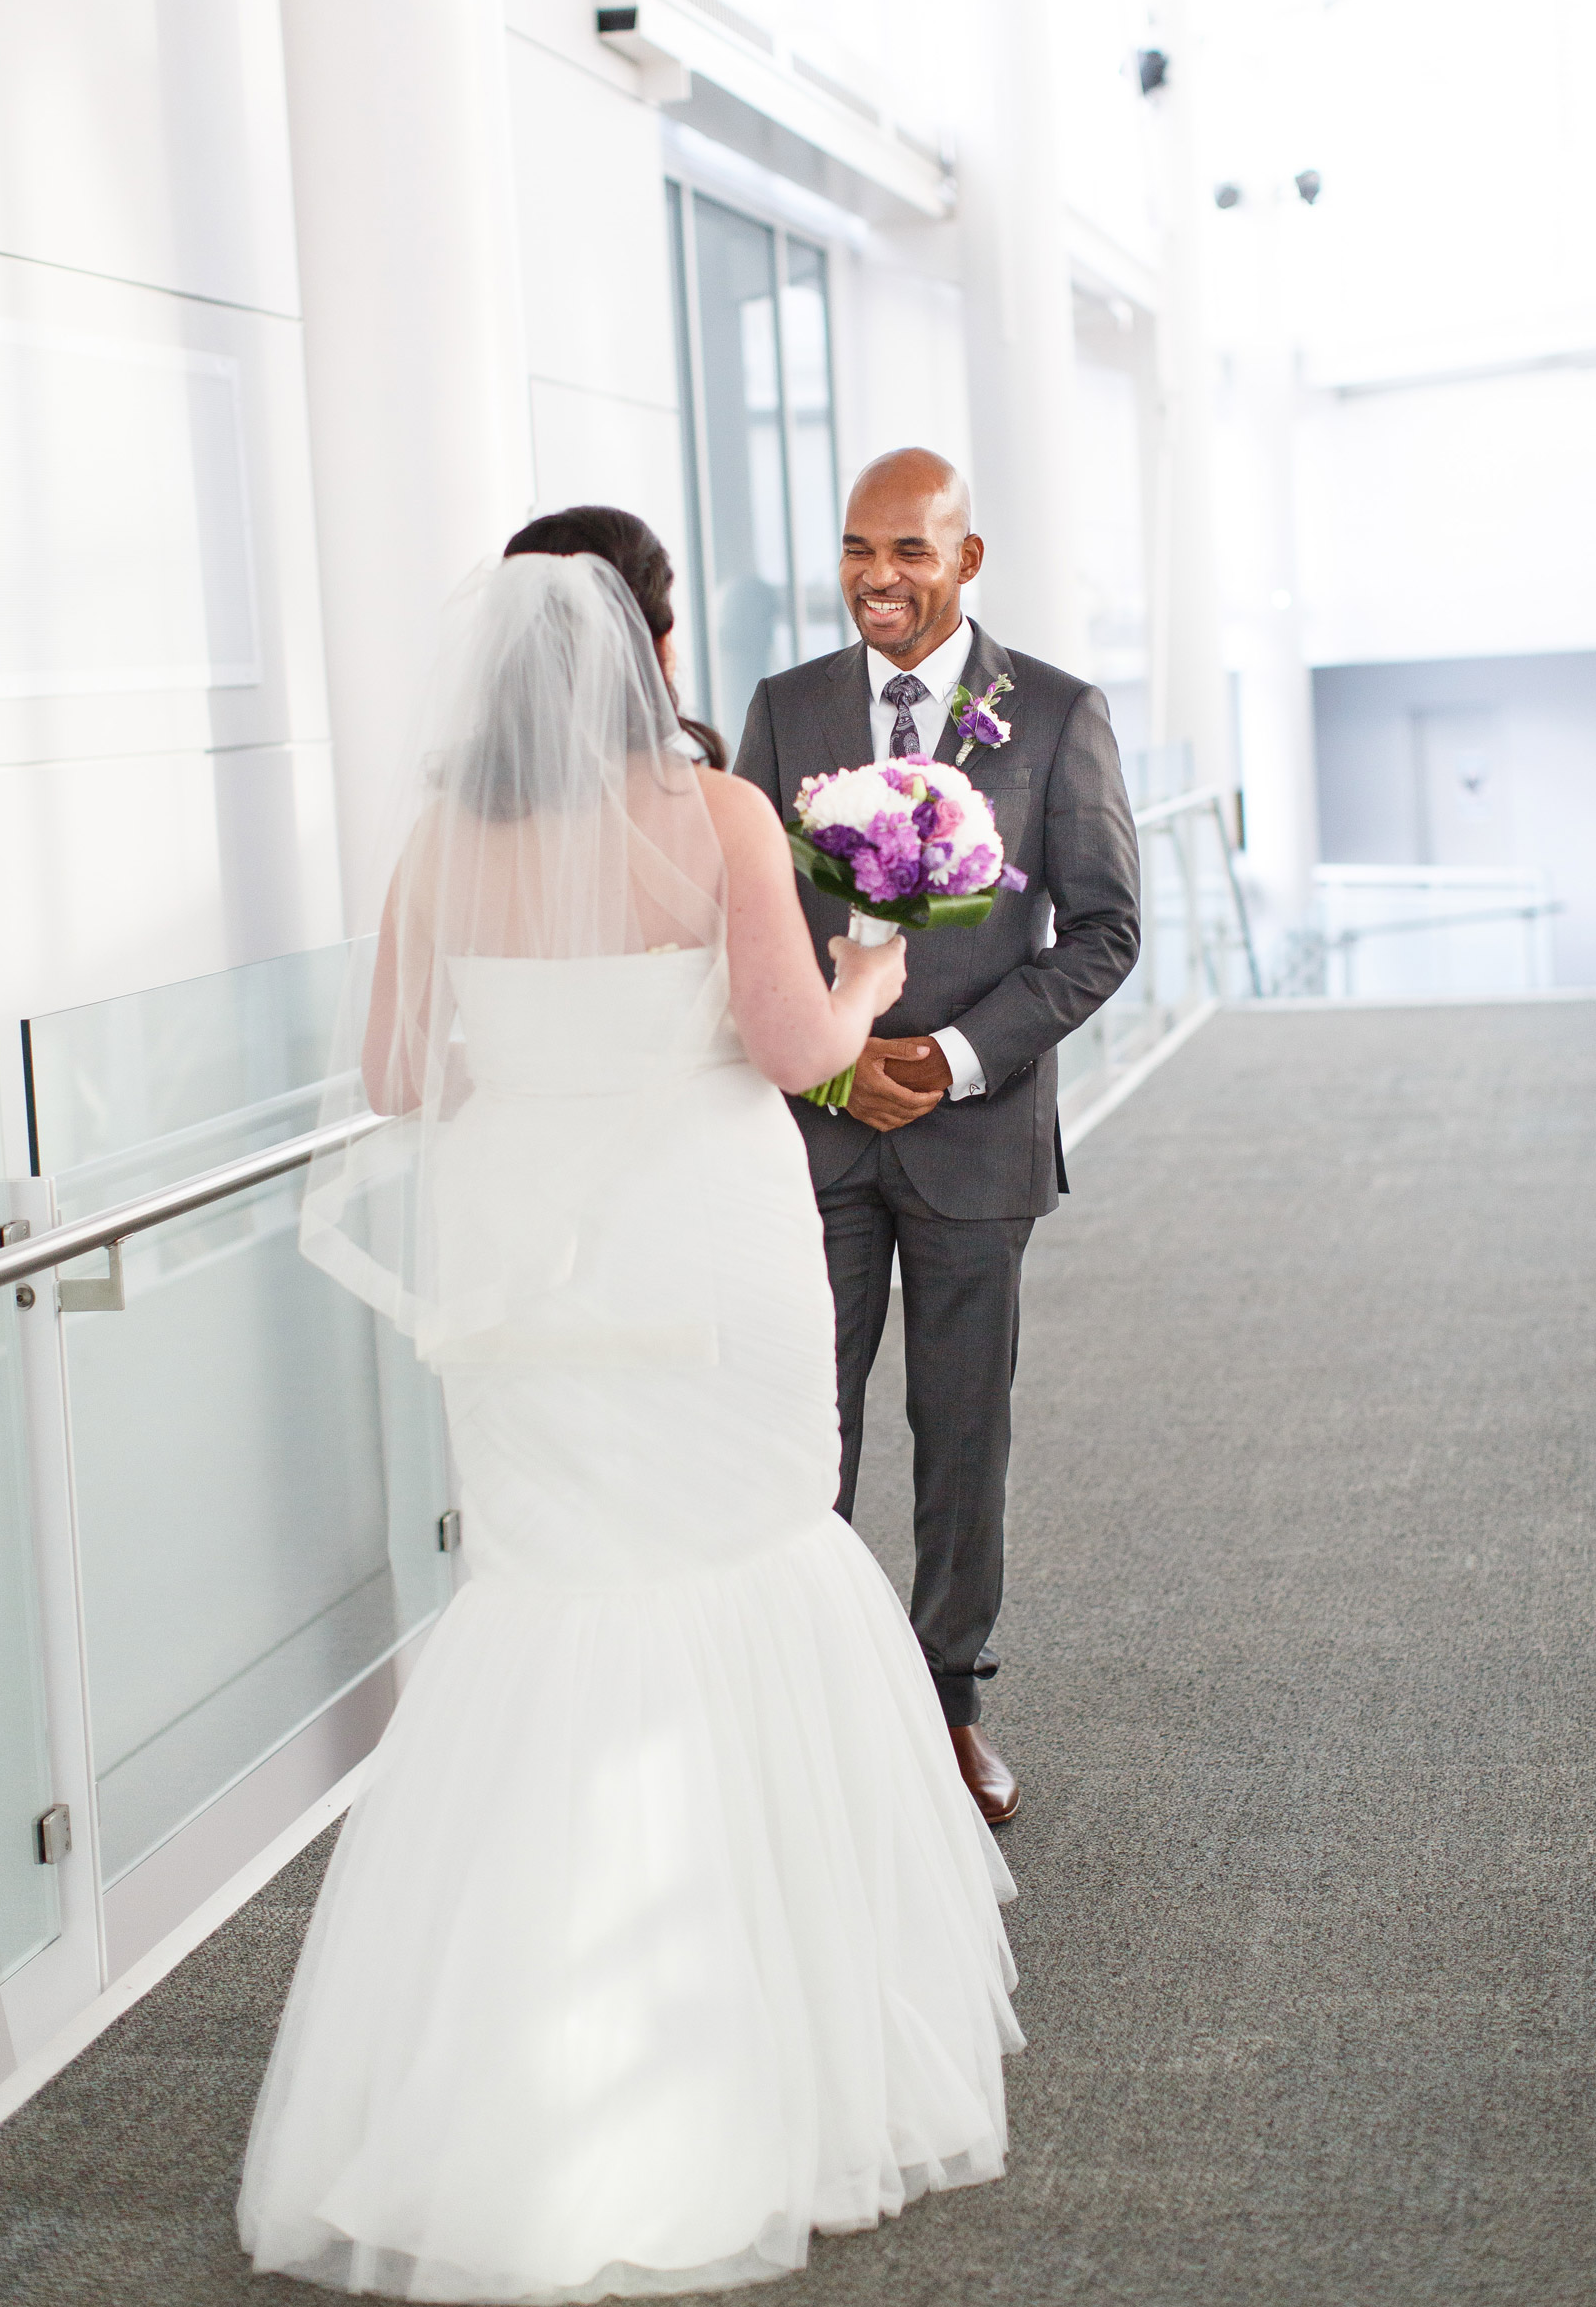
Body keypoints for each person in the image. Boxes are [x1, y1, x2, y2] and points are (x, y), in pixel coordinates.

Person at [252, 537, 1018, 2298]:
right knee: (746, 1557)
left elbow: (394, 1078)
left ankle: (514, 2076)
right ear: (647, 643)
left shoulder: (443, 845)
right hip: (703, 1253)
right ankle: (768, 2039)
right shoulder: (716, 813)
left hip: (530, 1280)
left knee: (553, 1596)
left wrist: (537, 1066)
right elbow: (785, 1047)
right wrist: (878, 981)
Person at [731, 447, 1139, 1829]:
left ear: (967, 561)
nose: (877, 577)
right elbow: (755, 927)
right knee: (808, 1427)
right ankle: (813, 1705)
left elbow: (1105, 933)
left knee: (962, 1435)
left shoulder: (1060, 716)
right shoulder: (784, 712)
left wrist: (956, 1059)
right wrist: (843, 1075)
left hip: (978, 1140)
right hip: (822, 1133)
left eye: (909, 551)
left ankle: (949, 1701)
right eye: (857, 548)